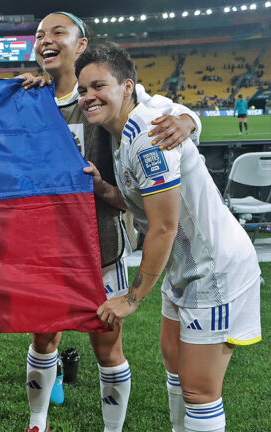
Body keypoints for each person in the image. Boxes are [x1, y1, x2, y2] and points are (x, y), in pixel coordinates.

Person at [18, 12, 202, 432]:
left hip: (101, 244)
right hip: (45, 248)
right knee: (43, 338)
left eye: (57, 32)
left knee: (107, 345)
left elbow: (170, 111)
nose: (45, 39)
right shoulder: (30, 97)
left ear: (81, 45)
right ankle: (37, 423)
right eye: (40, 35)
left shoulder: (105, 95)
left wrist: (188, 121)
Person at [76, 41, 261, 432]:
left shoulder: (147, 136)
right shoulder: (119, 133)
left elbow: (163, 226)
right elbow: (141, 203)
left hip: (213, 269)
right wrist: (104, 190)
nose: (88, 96)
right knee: (175, 370)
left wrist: (130, 298)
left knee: (198, 392)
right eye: (83, 90)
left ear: (127, 87)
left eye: (98, 86)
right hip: (183, 267)